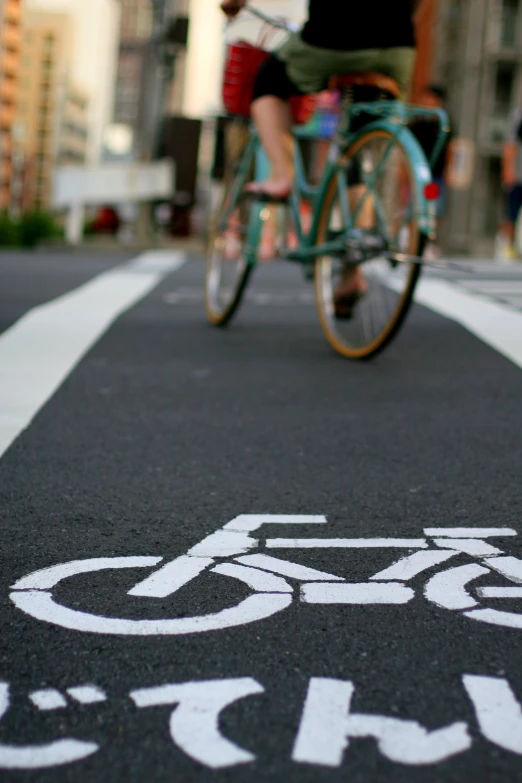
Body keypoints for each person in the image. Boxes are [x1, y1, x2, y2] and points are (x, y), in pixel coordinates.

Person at [220, 0, 424, 313]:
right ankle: (351, 274)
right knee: (357, 153)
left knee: (267, 82)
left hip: (332, 40)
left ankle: (282, 176)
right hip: (397, 48)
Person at [410, 84, 452, 257]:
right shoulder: (416, 124)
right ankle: (412, 242)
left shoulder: (444, 124)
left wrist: (448, 171)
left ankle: (430, 241)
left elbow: (449, 149)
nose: (427, 103)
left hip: (435, 176)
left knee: (435, 209)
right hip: (416, 174)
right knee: (412, 207)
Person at [499, 107, 522, 260]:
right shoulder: (518, 116)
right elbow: (509, 145)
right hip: (518, 174)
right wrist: (508, 170)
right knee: (511, 212)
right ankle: (508, 246)